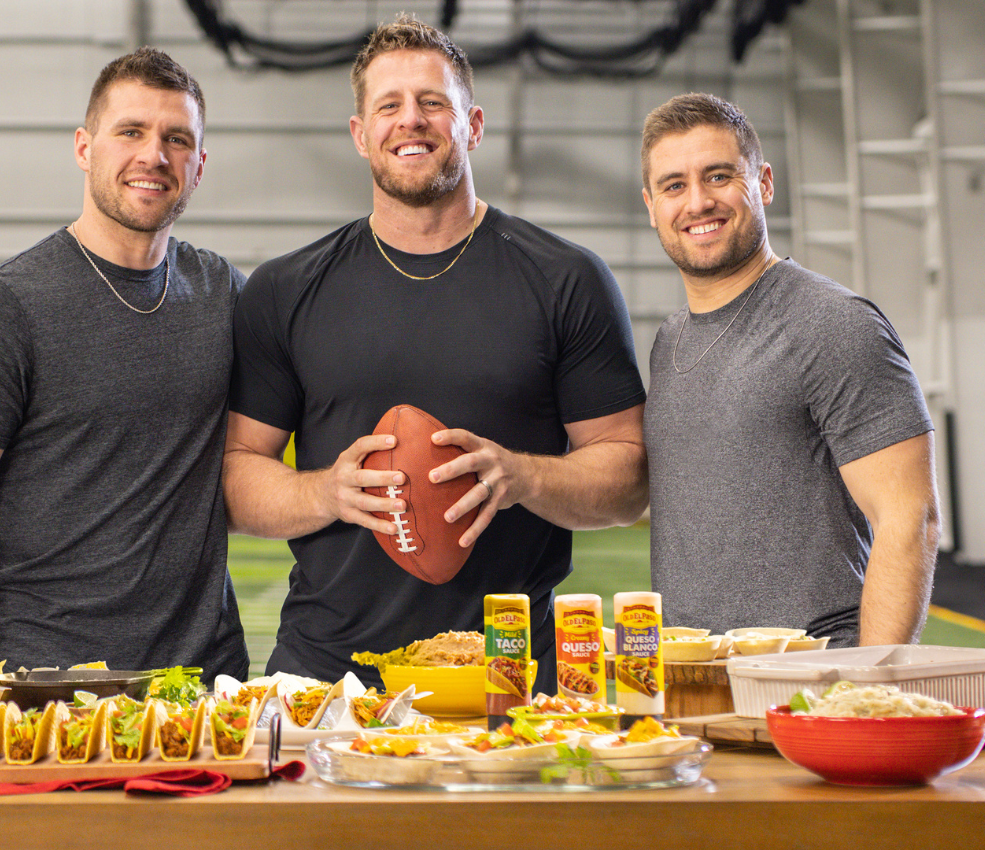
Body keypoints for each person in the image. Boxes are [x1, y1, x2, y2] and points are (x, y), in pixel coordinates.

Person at [224, 14, 648, 690]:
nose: (410, 120)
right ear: (362, 135)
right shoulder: (286, 288)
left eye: (432, 103)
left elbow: (629, 477)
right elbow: (237, 476)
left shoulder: (565, 278)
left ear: (472, 125)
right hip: (331, 677)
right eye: (388, 105)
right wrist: (327, 492)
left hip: (511, 677)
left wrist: (523, 478)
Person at [0, 48, 249, 687]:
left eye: (177, 139)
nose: (154, 155)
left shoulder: (224, 293)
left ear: (199, 165)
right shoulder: (2, 307)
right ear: (85, 148)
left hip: (200, 689)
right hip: (42, 688)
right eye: (131, 132)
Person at [640, 92, 941, 646]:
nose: (698, 202)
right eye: (674, 185)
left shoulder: (832, 323)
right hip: (695, 688)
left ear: (764, 183)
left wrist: (861, 692)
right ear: (651, 204)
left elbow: (910, 520)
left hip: (811, 684)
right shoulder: (670, 339)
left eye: (719, 175)